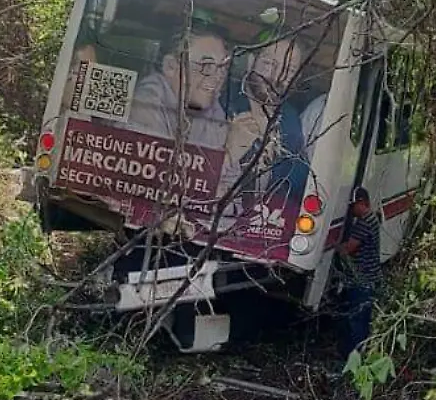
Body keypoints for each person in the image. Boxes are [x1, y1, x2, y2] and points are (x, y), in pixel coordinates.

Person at [224, 35, 325, 202]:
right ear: (251, 62)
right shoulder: (223, 101)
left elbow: (297, 185)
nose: (277, 77)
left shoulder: (290, 119)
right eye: (269, 64)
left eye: (290, 70)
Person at [125, 30, 230, 150]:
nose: (217, 77)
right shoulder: (145, 102)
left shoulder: (213, 110)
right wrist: (229, 155)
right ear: (170, 66)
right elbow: (158, 163)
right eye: (207, 65)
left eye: (222, 68)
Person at [338, 186, 383, 363]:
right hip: (370, 279)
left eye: (353, 205)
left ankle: (354, 362)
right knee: (360, 321)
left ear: (362, 203)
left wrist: (337, 247)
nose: (351, 209)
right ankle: (354, 359)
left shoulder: (364, 223)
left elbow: (348, 249)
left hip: (362, 281)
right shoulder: (372, 218)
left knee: (357, 323)